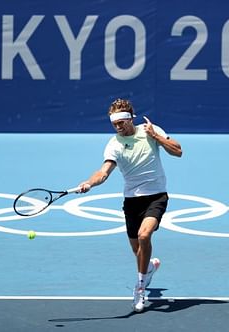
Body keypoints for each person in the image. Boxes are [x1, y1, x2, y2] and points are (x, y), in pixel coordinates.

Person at [77, 98, 183, 312]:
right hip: (132, 201)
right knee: (139, 252)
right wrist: (89, 182)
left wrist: (156, 136)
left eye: (121, 123)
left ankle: (139, 289)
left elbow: (178, 151)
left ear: (130, 119)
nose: (118, 127)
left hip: (156, 196)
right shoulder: (114, 144)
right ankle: (149, 267)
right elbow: (103, 172)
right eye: (114, 124)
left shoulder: (150, 130)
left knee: (145, 236)